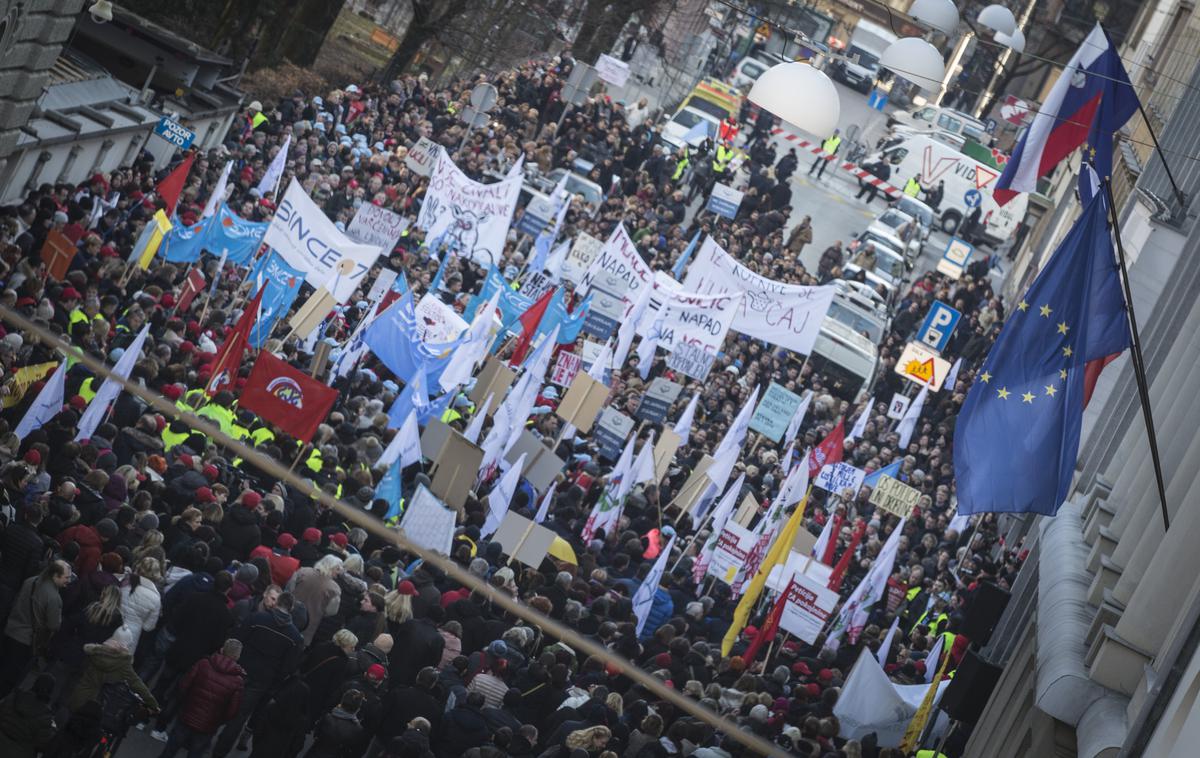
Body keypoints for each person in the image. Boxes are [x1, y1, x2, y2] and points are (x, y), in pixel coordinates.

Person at [157, 639, 246, 758]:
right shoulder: (238, 681)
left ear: (222, 650)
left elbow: (184, 686)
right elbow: (232, 711)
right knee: (195, 753)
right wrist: (218, 720)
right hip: (208, 726)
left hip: (187, 715)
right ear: (237, 656)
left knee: (170, 750)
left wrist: (185, 704)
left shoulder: (204, 663)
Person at [0, 559, 69, 697]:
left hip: (10, 629)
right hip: (25, 640)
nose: (68, 581)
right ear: (55, 575)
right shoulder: (54, 598)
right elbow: (54, 625)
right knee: (9, 677)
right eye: (66, 577)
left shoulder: (30, 581)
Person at [0, 673, 57, 757]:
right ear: (50, 692)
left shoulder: (14, 696)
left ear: (35, 683)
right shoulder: (47, 717)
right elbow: (42, 745)